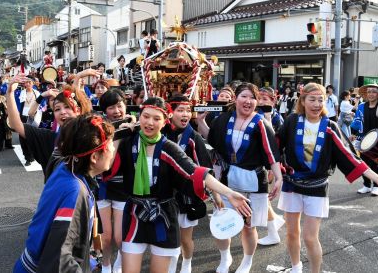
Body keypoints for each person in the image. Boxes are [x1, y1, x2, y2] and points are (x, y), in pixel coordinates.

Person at [116, 97, 251, 273]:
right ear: (138, 116)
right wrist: (118, 135)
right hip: (135, 213)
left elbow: (196, 171)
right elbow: (105, 164)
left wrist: (229, 193)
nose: (150, 122)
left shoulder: (168, 147)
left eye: (156, 118)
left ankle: (187, 263)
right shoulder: (129, 141)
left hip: (163, 215)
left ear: (165, 121)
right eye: (146, 116)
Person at [276, 83, 378, 273]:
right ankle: (296, 267)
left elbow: (349, 156)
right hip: (291, 184)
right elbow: (275, 146)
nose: (317, 104)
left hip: (317, 186)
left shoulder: (329, 126)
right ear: (302, 101)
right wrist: (275, 171)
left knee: (310, 237)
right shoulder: (292, 121)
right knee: (292, 233)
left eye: (321, 100)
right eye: (312, 99)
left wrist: (377, 177)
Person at [13, 114, 116, 273]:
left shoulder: (66, 164)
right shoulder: (75, 191)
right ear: (94, 157)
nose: (114, 149)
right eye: (110, 146)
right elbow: (60, 259)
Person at [204, 83, 283, 273]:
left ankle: (247, 261)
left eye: (252, 98)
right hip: (227, 180)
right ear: (235, 98)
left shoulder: (261, 123)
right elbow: (211, 140)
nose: (248, 101)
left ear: (256, 102)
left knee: (249, 226)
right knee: (221, 221)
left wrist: (278, 178)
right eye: (244, 96)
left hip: (253, 181)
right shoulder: (224, 119)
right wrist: (200, 122)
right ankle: (225, 258)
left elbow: (271, 153)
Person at [6, 71, 97, 176]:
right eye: (57, 109)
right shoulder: (49, 138)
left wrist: (78, 77)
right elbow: (16, 124)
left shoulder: (90, 134)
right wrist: (10, 93)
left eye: (67, 107)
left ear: (78, 110)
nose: (62, 112)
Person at [163, 96, 213, 273]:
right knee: (169, 237)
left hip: (187, 196)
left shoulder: (194, 138)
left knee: (185, 238)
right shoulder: (161, 133)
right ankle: (170, 267)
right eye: (180, 110)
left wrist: (211, 194)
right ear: (170, 113)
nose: (185, 114)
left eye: (187, 110)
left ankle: (187, 263)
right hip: (165, 195)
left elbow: (205, 169)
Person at [98, 89, 135, 273]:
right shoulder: (100, 128)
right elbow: (107, 164)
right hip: (102, 186)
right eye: (111, 107)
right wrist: (118, 135)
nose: (116, 110)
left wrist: (134, 127)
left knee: (120, 238)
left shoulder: (134, 126)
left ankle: (119, 264)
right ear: (105, 111)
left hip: (123, 188)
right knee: (105, 237)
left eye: (119, 105)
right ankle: (106, 265)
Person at [255, 87, 286, 246]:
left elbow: (276, 144)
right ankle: (275, 222)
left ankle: (273, 231)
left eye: (265, 99)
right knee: (261, 198)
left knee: (262, 198)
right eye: (259, 98)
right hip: (255, 161)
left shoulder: (276, 118)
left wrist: (274, 170)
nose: (261, 102)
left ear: (273, 101)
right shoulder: (254, 114)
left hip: (268, 163)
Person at [350, 84, 378, 197]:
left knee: (373, 163)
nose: (371, 94)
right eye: (369, 92)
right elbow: (356, 121)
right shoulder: (361, 107)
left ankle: (376, 186)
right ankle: (367, 185)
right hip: (363, 140)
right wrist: (353, 134)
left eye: (374, 92)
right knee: (363, 163)